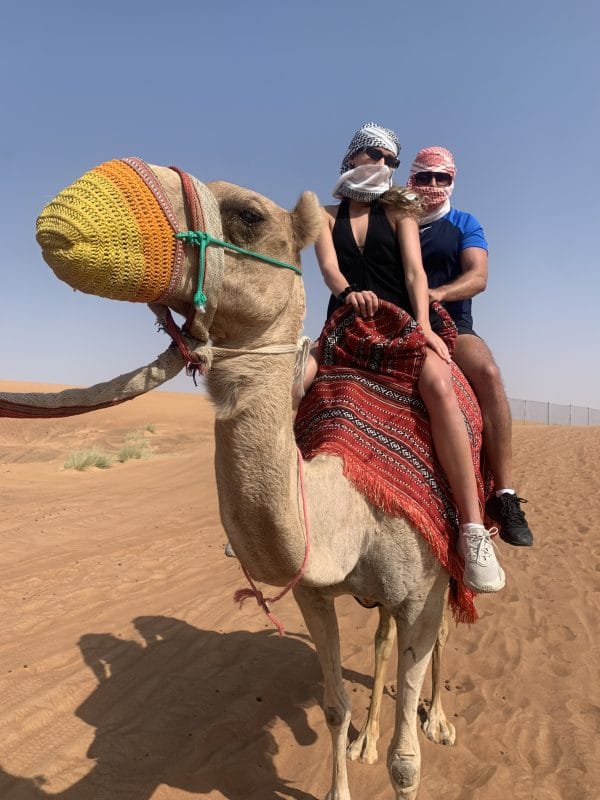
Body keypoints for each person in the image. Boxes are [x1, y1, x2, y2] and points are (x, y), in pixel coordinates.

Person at [309, 122, 505, 594]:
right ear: (353, 156)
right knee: (296, 381)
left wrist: (422, 327)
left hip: (399, 322)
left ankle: (473, 529)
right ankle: (275, 502)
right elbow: (329, 271)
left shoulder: (401, 212)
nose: (382, 165)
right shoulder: (321, 214)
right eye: (374, 155)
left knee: (440, 386)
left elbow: (415, 274)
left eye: (390, 160)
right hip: (344, 325)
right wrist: (350, 293)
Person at [406, 147, 534, 547]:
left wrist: (437, 294)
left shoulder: (463, 223)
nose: (432, 185)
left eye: (440, 178)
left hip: (451, 325)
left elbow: (478, 276)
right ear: (411, 179)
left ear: (452, 181)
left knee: (489, 374)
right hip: (396, 319)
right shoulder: (398, 221)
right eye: (424, 177)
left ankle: (505, 495)